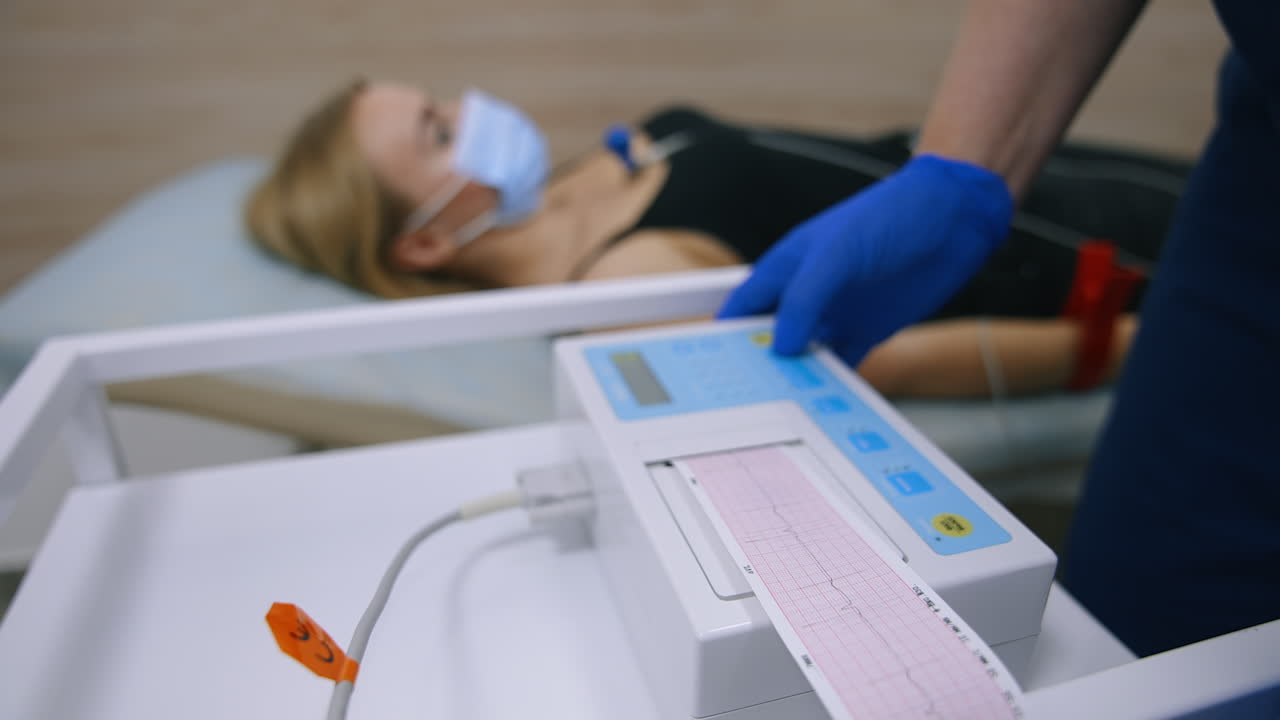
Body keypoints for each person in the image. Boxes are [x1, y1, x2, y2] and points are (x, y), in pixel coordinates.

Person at [719, 0, 1279, 658]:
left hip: (1113, 229)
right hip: (1259, 188)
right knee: (1140, 614)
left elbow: (893, 364)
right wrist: (961, 169)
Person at [248, 79, 1185, 400]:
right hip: (1070, 262)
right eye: (439, 134)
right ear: (420, 246)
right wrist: (1133, 347)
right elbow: (874, 360)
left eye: (440, 102)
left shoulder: (561, 185)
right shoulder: (622, 288)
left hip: (993, 168)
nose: (472, 112)